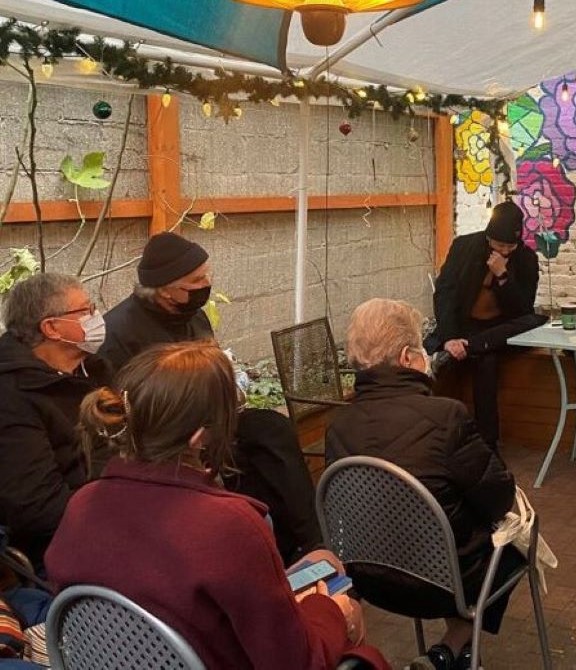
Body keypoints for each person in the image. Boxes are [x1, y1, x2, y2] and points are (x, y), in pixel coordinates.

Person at [45, 342, 389, 670]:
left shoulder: (82, 505)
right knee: (349, 618)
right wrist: (329, 609)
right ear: (199, 437)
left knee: (321, 561)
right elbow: (296, 662)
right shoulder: (227, 523)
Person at [100, 232, 322, 565]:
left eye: (207, 275)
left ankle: (309, 543)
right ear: (165, 288)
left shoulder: (194, 316)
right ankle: (262, 549)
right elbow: (123, 411)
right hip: (167, 440)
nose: (207, 284)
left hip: (214, 418)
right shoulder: (118, 333)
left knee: (271, 429)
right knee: (248, 462)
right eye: (197, 280)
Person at [327, 298, 519, 670]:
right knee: (516, 542)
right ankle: (454, 645)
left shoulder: (339, 425)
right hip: (444, 586)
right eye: (420, 349)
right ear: (406, 358)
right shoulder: (445, 417)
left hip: (370, 578)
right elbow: (498, 499)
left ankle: (454, 653)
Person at [0, 274, 113, 568]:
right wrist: (123, 506)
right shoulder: (11, 396)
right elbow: (39, 510)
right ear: (51, 327)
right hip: (61, 546)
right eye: (86, 311)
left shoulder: (93, 369)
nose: (96, 318)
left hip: (115, 506)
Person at [425, 201, 546, 450]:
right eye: (498, 245)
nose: (503, 251)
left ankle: (488, 443)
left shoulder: (526, 259)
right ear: (488, 238)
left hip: (497, 332)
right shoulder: (465, 247)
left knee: (534, 320)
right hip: (465, 328)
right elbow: (445, 293)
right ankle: (481, 441)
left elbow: (522, 310)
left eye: (509, 246)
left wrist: (503, 276)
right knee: (485, 361)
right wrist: (450, 337)